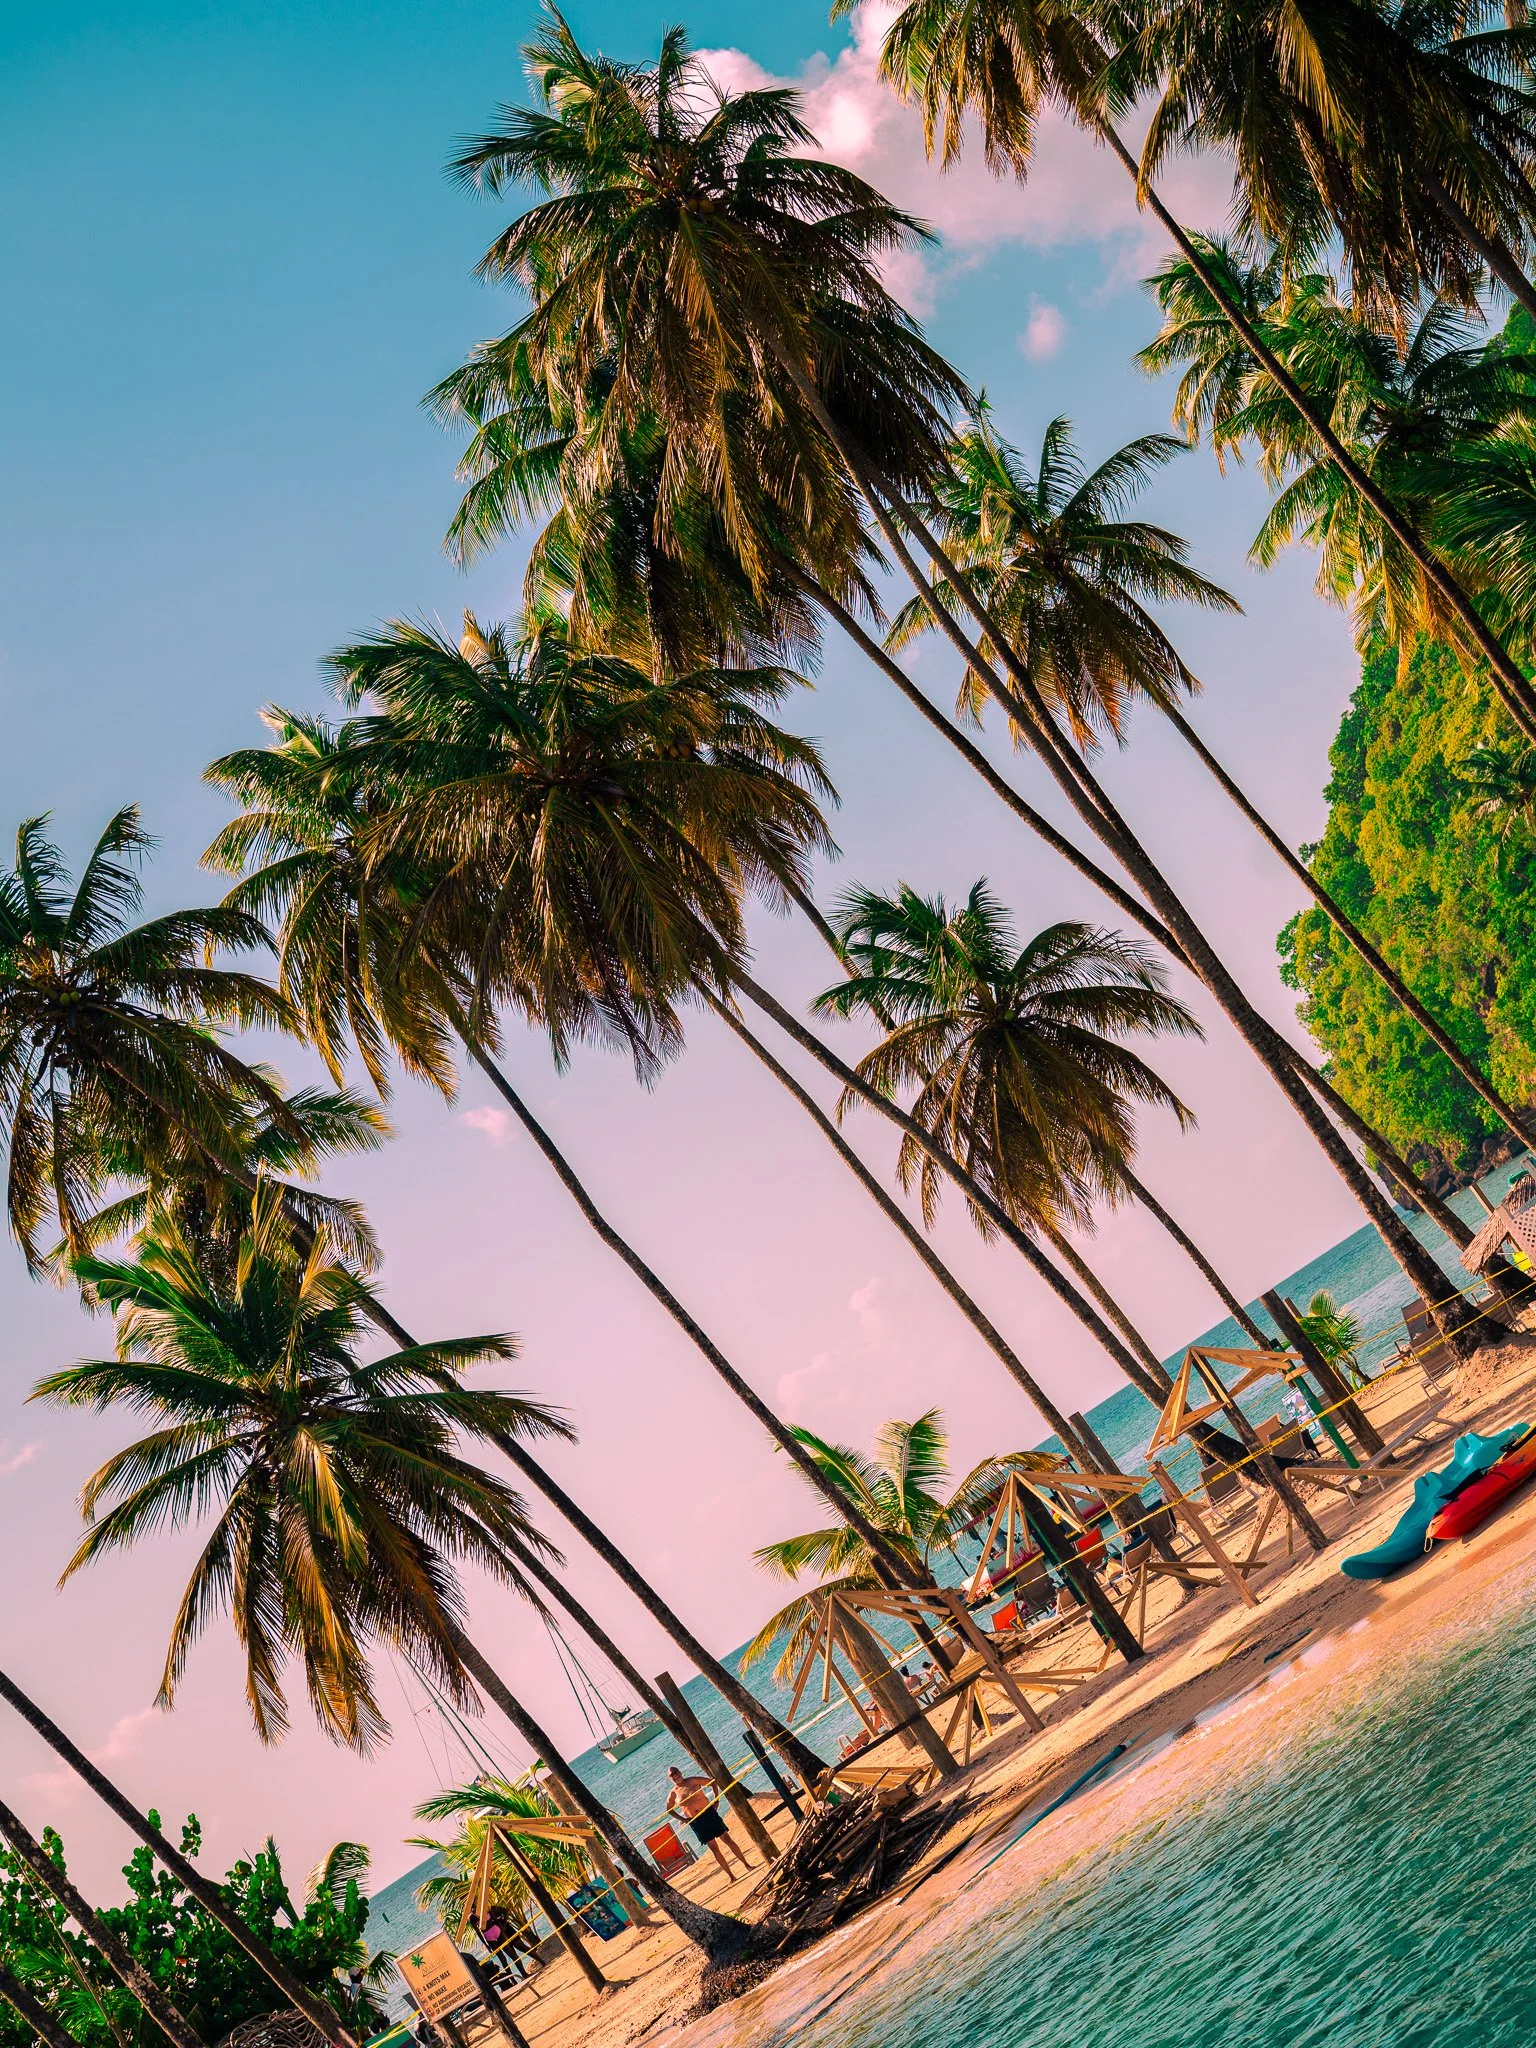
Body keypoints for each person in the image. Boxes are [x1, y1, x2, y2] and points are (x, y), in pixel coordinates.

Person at [665, 1767, 751, 1880]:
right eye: (672, 1775)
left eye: (676, 1773)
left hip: (709, 1814)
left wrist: (716, 1800)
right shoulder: (673, 1793)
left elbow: (713, 1782)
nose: (675, 1776)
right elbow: (669, 1810)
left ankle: (747, 1865)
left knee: (727, 1839)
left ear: (680, 1772)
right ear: (669, 1778)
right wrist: (683, 1819)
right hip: (696, 1822)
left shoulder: (693, 1780)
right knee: (714, 1848)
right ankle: (731, 1876)